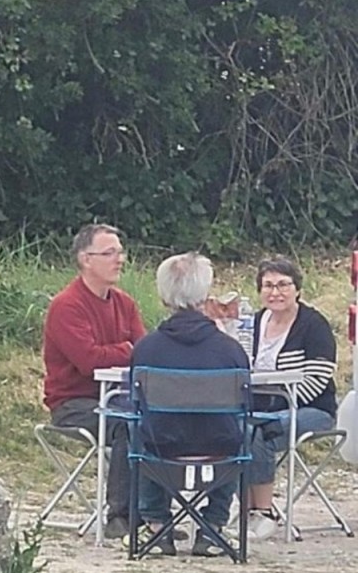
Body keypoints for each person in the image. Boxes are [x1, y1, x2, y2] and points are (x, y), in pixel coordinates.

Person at [130, 252, 250, 556]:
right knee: (243, 432)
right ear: (206, 295)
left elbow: (135, 403)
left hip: (161, 450)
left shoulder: (146, 350)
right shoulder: (231, 351)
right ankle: (213, 526)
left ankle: (156, 524)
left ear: (163, 296)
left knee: (136, 427)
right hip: (220, 450)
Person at [42, 223, 146, 539]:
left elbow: (143, 350)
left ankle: (154, 513)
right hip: (74, 403)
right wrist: (126, 349)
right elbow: (88, 361)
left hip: (120, 396)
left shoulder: (125, 303)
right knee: (128, 424)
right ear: (86, 259)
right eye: (109, 253)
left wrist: (123, 351)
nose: (119, 259)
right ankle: (120, 515)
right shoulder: (66, 305)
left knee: (158, 418)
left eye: (120, 252)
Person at [247, 257, 337, 540]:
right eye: (269, 286)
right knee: (239, 427)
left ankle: (264, 512)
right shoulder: (254, 322)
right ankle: (250, 511)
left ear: (297, 289)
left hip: (311, 409)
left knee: (261, 429)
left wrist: (277, 404)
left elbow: (317, 379)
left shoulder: (314, 325)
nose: (276, 292)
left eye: (283, 285)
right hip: (258, 408)